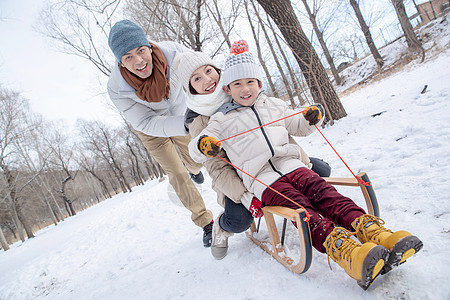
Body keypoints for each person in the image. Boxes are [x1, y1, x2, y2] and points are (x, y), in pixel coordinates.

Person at [187, 41, 423, 289]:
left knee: (327, 194)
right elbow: (196, 149)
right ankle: (349, 254)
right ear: (228, 88)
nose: (244, 89)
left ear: (259, 84)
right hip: (263, 181)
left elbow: (297, 124)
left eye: (250, 82)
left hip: (293, 166)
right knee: (303, 210)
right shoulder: (220, 119)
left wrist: (311, 117)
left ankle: (377, 234)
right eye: (237, 84)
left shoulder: (274, 106)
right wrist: (204, 143)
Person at [175, 47, 331, 260]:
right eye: (197, 78)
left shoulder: (242, 86)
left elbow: (276, 127)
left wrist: (301, 162)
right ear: (191, 88)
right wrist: (246, 196)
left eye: (208, 71)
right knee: (240, 219)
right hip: (240, 178)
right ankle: (222, 226)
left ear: (219, 71)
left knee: (322, 170)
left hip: (276, 162)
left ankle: (315, 202)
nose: (207, 80)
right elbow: (217, 167)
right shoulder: (199, 120)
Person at [106, 19, 214, 247]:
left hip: (182, 114)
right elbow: (145, 121)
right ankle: (205, 221)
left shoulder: (175, 54)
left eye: (140, 50)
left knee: (195, 160)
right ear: (121, 62)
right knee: (176, 172)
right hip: (150, 128)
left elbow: (202, 73)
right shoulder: (117, 88)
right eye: (127, 57)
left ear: (148, 45)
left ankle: (194, 169)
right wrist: (183, 124)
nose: (138, 61)